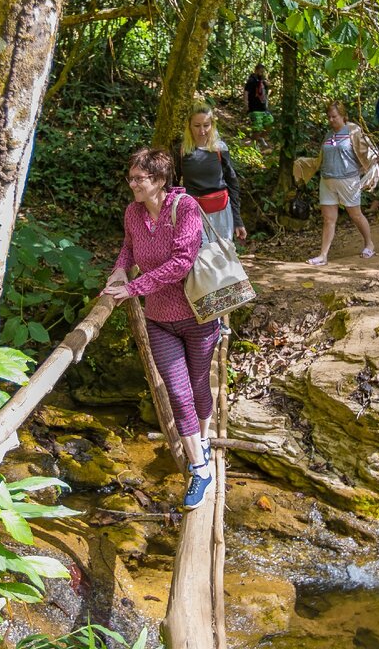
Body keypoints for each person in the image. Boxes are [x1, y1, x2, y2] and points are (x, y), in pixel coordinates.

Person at [104, 148, 220, 510]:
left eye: (139, 178)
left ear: (158, 180)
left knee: (200, 387)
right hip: (159, 321)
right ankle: (200, 469)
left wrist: (134, 288)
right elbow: (128, 248)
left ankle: (203, 438)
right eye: (131, 177)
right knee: (177, 392)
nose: (132, 184)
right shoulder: (133, 213)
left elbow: (182, 263)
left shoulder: (184, 208)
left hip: (199, 316)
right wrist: (121, 269)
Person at [307, 101, 377, 266]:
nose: (331, 120)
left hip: (348, 180)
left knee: (355, 215)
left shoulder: (353, 131)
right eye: (329, 117)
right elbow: (322, 157)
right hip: (327, 181)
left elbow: (367, 150)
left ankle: (369, 244)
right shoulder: (328, 135)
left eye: (334, 117)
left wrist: (377, 157)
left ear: (343, 116)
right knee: (328, 219)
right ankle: (323, 255)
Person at [175, 105, 247, 242]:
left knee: (222, 256)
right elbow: (174, 184)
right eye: (197, 125)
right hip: (193, 213)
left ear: (212, 125)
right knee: (199, 257)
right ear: (189, 126)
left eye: (206, 125)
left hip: (221, 212)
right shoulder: (181, 150)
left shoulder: (220, 148)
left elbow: (232, 183)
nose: (202, 131)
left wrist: (238, 221)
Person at [244, 64, 271, 129]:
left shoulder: (262, 81)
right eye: (260, 71)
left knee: (270, 121)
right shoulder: (251, 80)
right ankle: (256, 138)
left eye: (263, 72)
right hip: (254, 108)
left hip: (263, 108)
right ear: (256, 70)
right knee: (257, 127)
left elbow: (266, 94)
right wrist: (246, 104)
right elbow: (246, 92)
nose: (262, 73)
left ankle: (261, 138)